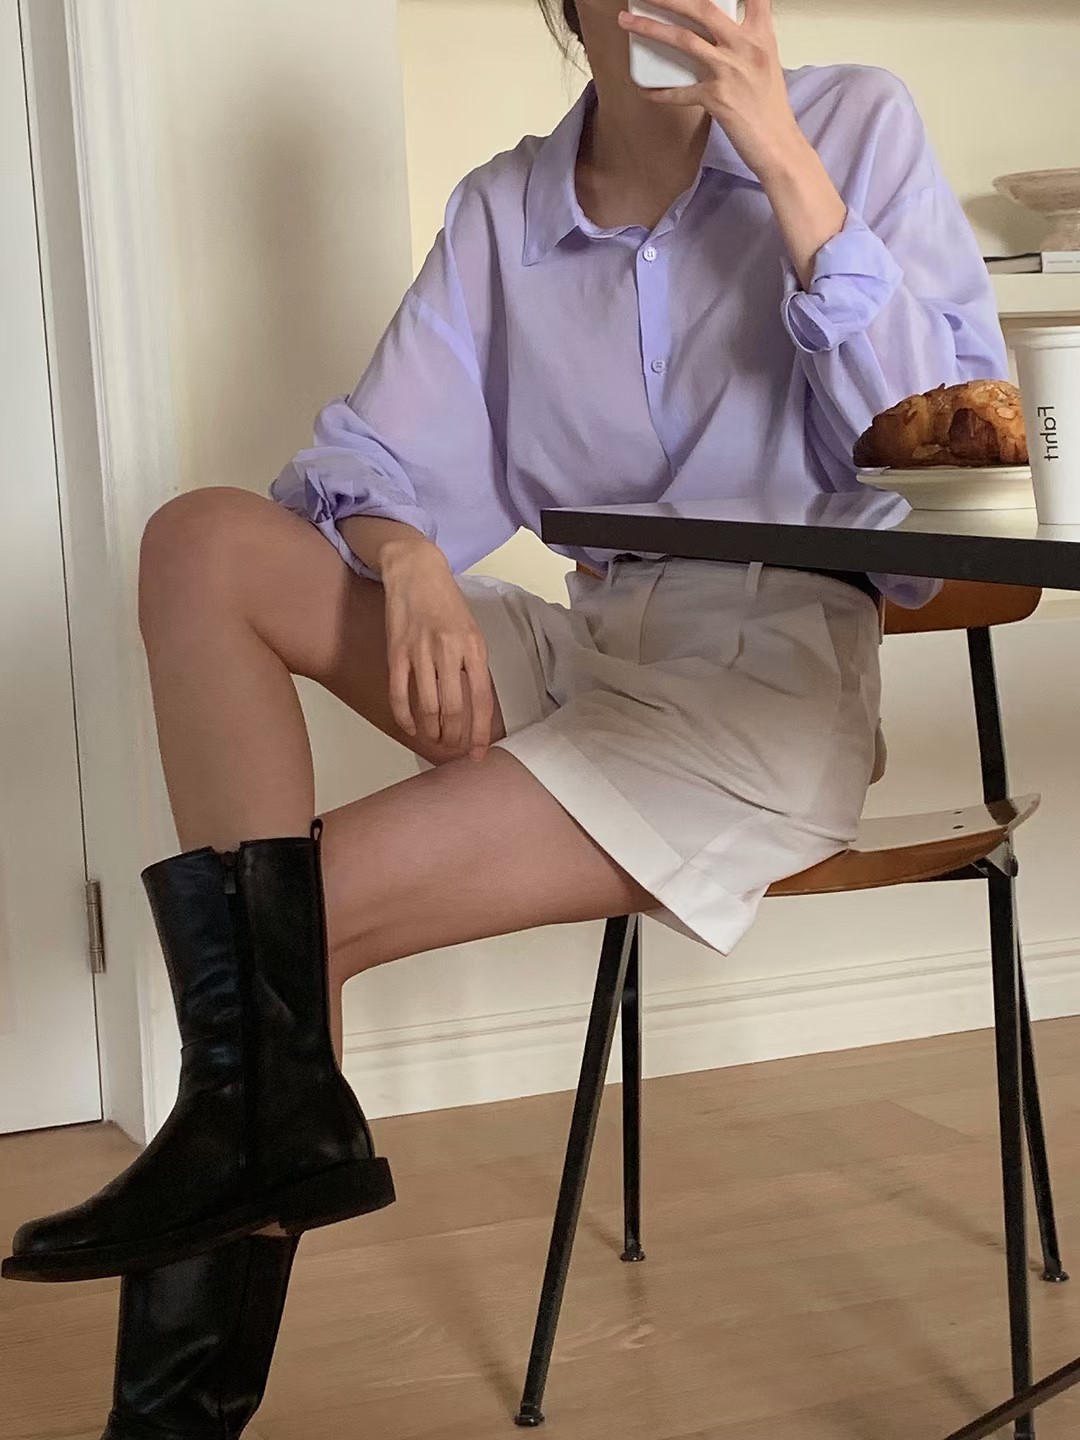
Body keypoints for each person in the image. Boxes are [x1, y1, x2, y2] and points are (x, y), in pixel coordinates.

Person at [4, 0, 1008, 1433]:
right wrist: (408, 555)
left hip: (763, 694)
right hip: (592, 647)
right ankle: (269, 1142)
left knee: (276, 931)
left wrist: (786, 164)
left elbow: (946, 486)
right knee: (205, 544)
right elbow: (367, 457)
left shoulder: (851, 127)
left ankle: (177, 1403)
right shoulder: (508, 213)